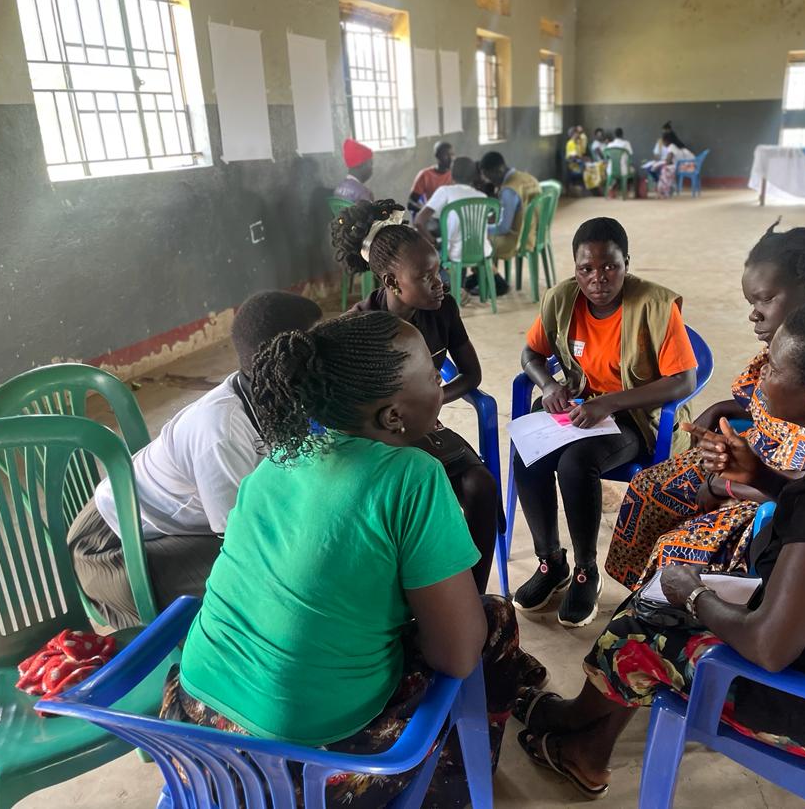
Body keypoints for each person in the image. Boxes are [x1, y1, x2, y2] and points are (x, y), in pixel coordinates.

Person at [515, 300, 805, 797]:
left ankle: (576, 728)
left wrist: (693, 595)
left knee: (645, 626)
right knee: (653, 606)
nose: (761, 371)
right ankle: (585, 747)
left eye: (773, 366)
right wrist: (762, 477)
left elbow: (769, 647)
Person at [162, 311, 544, 808]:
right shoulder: (413, 476)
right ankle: (458, 783)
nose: (439, 379)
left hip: (193, 746)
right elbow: (455, 655)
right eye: (431, 374)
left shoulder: (281, 457)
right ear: (393, 416)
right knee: (492, 621)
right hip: (306, 772)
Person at [606, 223, 805, 590]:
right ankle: (644, 595)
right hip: (761, 459)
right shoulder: (793, 346)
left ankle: (675, 605)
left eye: (765, 299)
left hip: (786, 491)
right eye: (751, 303)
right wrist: (720, 411)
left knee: (676, 548)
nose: (754, 315)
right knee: (648, 488)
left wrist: (727, 488)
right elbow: (772, 402)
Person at [67, 291, 323, 628]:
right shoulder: (221, 433)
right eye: (321, 352)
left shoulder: (273, 399)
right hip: (113, 550)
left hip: (177, 529)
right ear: (285, 368)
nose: (331, 361)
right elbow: (242, 545)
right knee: (272, 584)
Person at [512, 217, 698, 628]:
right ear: (575, 268)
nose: (598, 278)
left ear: (626, 263)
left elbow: (684, 379)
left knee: (575, 464)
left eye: (609, 266)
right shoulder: (562, 300)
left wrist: (610, 402)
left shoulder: (654, 304)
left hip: (634, 417)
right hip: (580, 410)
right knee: (525, 450)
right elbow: (530, 354)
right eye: (586, 269)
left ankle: (585, 570)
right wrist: (546, 386)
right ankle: (550, 562)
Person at [335, 198, 499, 591]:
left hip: (428, 425)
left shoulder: (442, 309)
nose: (439, 282)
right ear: (392, 283)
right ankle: (415, 596)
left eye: (438, 270)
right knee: (414, 502)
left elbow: (471, 374)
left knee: (482, 485)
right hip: (380, 441)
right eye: (426, 276)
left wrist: (435, 400)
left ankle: (475, 594)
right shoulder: (360, 327)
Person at [414, 157, 494, 265]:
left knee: (436, 254)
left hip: (455, 254)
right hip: (482, 252)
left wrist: (434, 243)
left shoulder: (445, 191)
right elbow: (489, 223)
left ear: (451, 174)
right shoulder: (483, 197)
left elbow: (419, 221)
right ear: (474, 176)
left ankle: (453, 281)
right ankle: (472, 280)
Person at [479, 151, 543, 263]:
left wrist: (482, 229)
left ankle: (490, 279)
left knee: (480, 244)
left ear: (498, 171)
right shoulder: (528, 178)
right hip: (536, 233)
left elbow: (504, 228)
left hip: (518, 239)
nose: (491, 183)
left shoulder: (509, 190)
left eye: (490, 178)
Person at [407, 141, 455, 215]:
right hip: (434, 217)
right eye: (446, 155)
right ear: (437, 156)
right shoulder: (425, 175)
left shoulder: (456, 174)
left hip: (452, 214)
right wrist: (428, 211)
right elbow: (411, 203)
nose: (451, 158)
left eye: (452, 155)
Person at [332, 138, 375, 203]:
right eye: (370, 163)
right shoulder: (362, 193)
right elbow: (370, 213)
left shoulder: (338, 188)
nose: (371, 168)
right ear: (360, 164)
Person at [655, 131, 696, 197]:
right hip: (692, 166)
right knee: (669, 168)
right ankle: (669, 189)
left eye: (663, 141)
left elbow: (668, 161)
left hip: (688, 167)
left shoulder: (671, 146)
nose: (663, 143)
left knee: (665, 169)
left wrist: (658, 164)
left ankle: (665, 191)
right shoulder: (676, 145)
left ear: (667, 140)